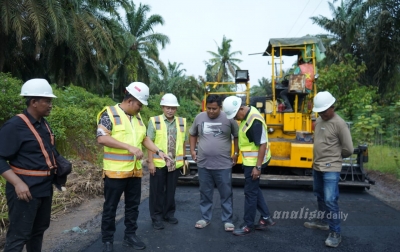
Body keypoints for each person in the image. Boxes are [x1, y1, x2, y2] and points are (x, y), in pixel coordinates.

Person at [97, 82, 172, 252]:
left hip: (134, 172)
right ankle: (107, 241)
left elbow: (144, 138)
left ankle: (130, 236)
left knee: (133, 206)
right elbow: (102, 138)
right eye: (139, 105)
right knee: (111, 207)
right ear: (130, 100)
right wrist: (128, 147)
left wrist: (159, 151)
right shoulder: (109, 114)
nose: (141, 109)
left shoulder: (137, 118)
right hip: (115, 172)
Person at [0, 79, 59, 251]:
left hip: (44, 189)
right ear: (33, 102)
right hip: (25, 191)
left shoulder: (43, 123)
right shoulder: (14, 126)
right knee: (19, 235)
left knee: (38, 231)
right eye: (47, 101)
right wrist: (17, 183)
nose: (50, 105)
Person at [303, 91, 354, 248]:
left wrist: (334, 157)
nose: (322, 114)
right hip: (317, 165)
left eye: (324, 111)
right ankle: (323, 221)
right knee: (319, 194)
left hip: (331, 166)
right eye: (320, 112)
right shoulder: (318, 121)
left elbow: (349, 149)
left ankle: (335, 232)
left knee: (330, 200)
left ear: (332, 107)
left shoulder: (340, 124)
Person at [222, 96, 276, 236]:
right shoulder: (247, 115)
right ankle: (265, 217)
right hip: (249, 161)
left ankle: (248, 225)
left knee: (250, 193)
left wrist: (257, 167)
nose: (235, 118)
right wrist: (236, 153)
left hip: (255, 163)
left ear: (241, 108)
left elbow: (262, 144)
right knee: (254, 189)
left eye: (235, 115)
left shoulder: (254, 121)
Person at [189, 95, 239, 232]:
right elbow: (192, 134)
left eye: (214, 109)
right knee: (205, 192)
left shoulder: (229, 118)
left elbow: (236, 135)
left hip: (223, 164)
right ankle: (205, 218)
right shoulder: (199, 117)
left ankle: (227, 220)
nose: (211, 111)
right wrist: (193, 150)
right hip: (203, 164)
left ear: (220, 107)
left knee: (226, 193)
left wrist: (236, 153)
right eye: (208, 108)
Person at [147, 93, 187, 230]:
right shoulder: (154, 121)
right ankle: (156, 217)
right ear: (162, 107)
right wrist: (150, 162)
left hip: (175, 164)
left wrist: (185, 159)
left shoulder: (181, 122)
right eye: (167, 107)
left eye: (173, 108)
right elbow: (149, 143)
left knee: (171, 191)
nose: (170, 110)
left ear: (176, 109)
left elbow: (183, 142)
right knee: (157, 192)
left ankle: (169, 214)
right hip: (159, 163)